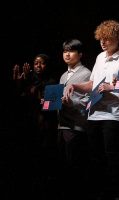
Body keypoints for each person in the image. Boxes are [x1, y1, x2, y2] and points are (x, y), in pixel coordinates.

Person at [64, 20, 119, 200]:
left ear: (117, 38)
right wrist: (75, 85)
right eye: (100, 39)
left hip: (113, 114)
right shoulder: (99, 57)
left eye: (107, 38)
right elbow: (92, 84)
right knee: (96, 157)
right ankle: (101, 192)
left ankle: (117, 193)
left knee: (113, 157)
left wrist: (110, 87)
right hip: (94, 114)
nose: (103, 42)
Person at [12, 53, 59, 198]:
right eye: (36, 63)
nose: (38, 66)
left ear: (47, 65)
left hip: (46, 125)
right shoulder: (28, 80)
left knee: (45, 158)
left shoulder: (52, 81)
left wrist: (42, 100)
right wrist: (20, 83)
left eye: (42, 63)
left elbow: (54, 105)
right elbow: (19, 101)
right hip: (30, 125)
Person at [58, 38, 91, 200]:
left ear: (80, 54)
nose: (67, 54)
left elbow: (87, 102)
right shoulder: (63, 75)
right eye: (65, 51)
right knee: (63, 167)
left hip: (76, 126)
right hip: (62, 125)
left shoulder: (86, 73)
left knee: (75, 167)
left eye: (71, 51)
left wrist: (71, 102)